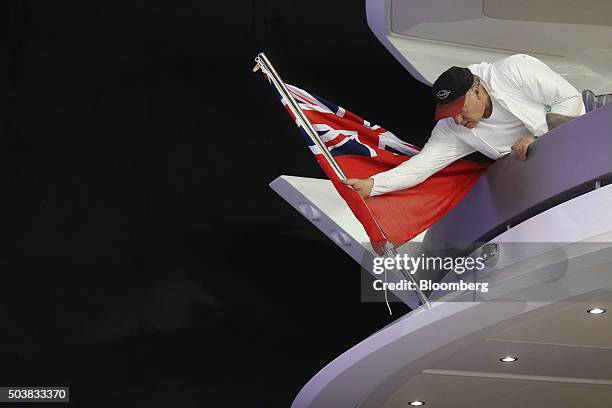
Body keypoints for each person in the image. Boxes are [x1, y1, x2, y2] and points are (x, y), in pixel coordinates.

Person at [343, 54, 586, 198]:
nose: (458, 119)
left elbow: (569, 99)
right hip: (546, 173)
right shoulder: (452, 129)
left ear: (478, 91)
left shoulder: (513, 70)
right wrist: (373, 185)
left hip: (581, 132)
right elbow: (420, 166)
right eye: (449, 114)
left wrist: (542, 141)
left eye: (460, 110)